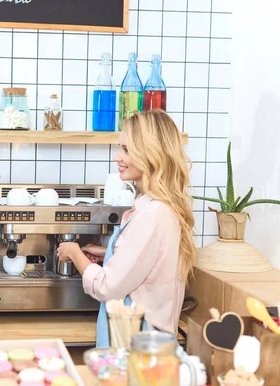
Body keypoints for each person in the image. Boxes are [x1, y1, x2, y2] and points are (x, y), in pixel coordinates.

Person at [56, 110, 196, 348]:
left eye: (127, 150)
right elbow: (147, 265)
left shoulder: (152, 215)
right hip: (146, 343)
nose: (117, 157)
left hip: (137, 347)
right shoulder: (158, 207)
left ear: (152, 154)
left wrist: (73, 252)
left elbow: (107, 287)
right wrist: (107, 253)